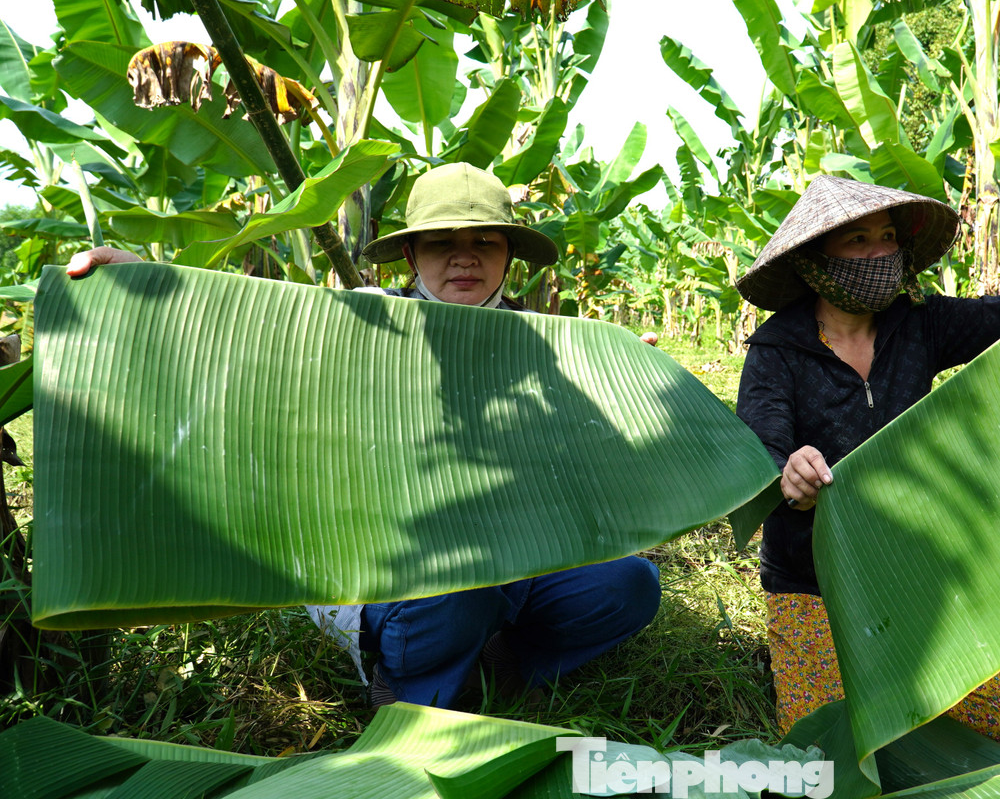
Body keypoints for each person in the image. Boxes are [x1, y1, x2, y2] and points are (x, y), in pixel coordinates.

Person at [68, 162, 662, 710]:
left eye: (484, 241)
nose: (465, 258)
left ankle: (507, 664)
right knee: (463, 589)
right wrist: (149, 289)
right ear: (409, 254)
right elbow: (249, 339)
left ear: (509, 255)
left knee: (629, 584)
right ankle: (406, 689)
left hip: (519, 559)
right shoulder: (367, 317)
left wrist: (625, 380)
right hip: (391, 567)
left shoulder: (543, 340)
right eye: (441, 243)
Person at [734, 174, 1000, 740]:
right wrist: (789, 475)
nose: (879, 253)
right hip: (814, 580)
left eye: (888, 237)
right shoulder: (777, 350)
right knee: (829, 751)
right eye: (857, 241)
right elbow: (759, 457)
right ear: (816, 261)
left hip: (916, 572)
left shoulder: (918, 323)